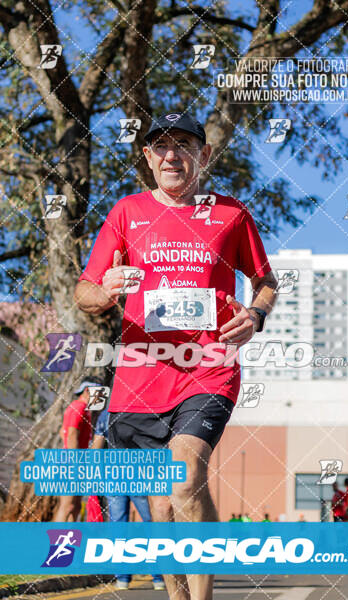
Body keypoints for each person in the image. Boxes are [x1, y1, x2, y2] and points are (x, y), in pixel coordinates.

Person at [74, 112, 277, 600]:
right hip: (140, 377)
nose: (171, 155)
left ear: (202, 156)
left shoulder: (231, 214)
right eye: (160, 146)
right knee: (162, 507)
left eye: (184, 145)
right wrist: (103, 291)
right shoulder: (126, 213)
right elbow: (84, 291)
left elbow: (265, 282)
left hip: (209, 368)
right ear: (147, 157)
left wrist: (255, 315)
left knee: (185, 478)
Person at [91, 409, 165, 591]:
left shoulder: (106, 414)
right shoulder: (143, 411)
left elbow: (97, 446)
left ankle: (122, 578)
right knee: (151, 523)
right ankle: (158, 577)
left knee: (118, 526)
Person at [53, 377, 102, 522]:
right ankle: (56, 543)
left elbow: (63, 432)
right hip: (71, 464)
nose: (101, 397)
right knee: (67, 506)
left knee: (74, 507)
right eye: (99, 393)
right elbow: (71, 434)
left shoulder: (84, 410)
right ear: (88, 390)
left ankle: (69, 542)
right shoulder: (78, 407)